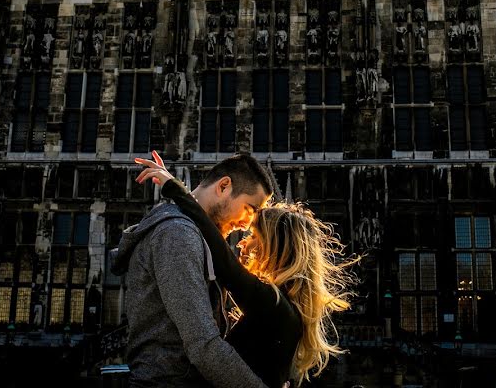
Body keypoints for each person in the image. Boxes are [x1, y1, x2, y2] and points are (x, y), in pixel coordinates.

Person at [136, 152, 355, 387]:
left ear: (273, 246)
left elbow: (223, 261)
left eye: (252, 234)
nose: (241, 240)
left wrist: (176, 189)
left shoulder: (272, 302)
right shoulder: (282, 305)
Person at [111, 153, 274, 388]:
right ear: (224, 186)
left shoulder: (194, 233)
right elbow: (203, 344)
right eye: (250, 209)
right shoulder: (178, 235)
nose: (247, 225)